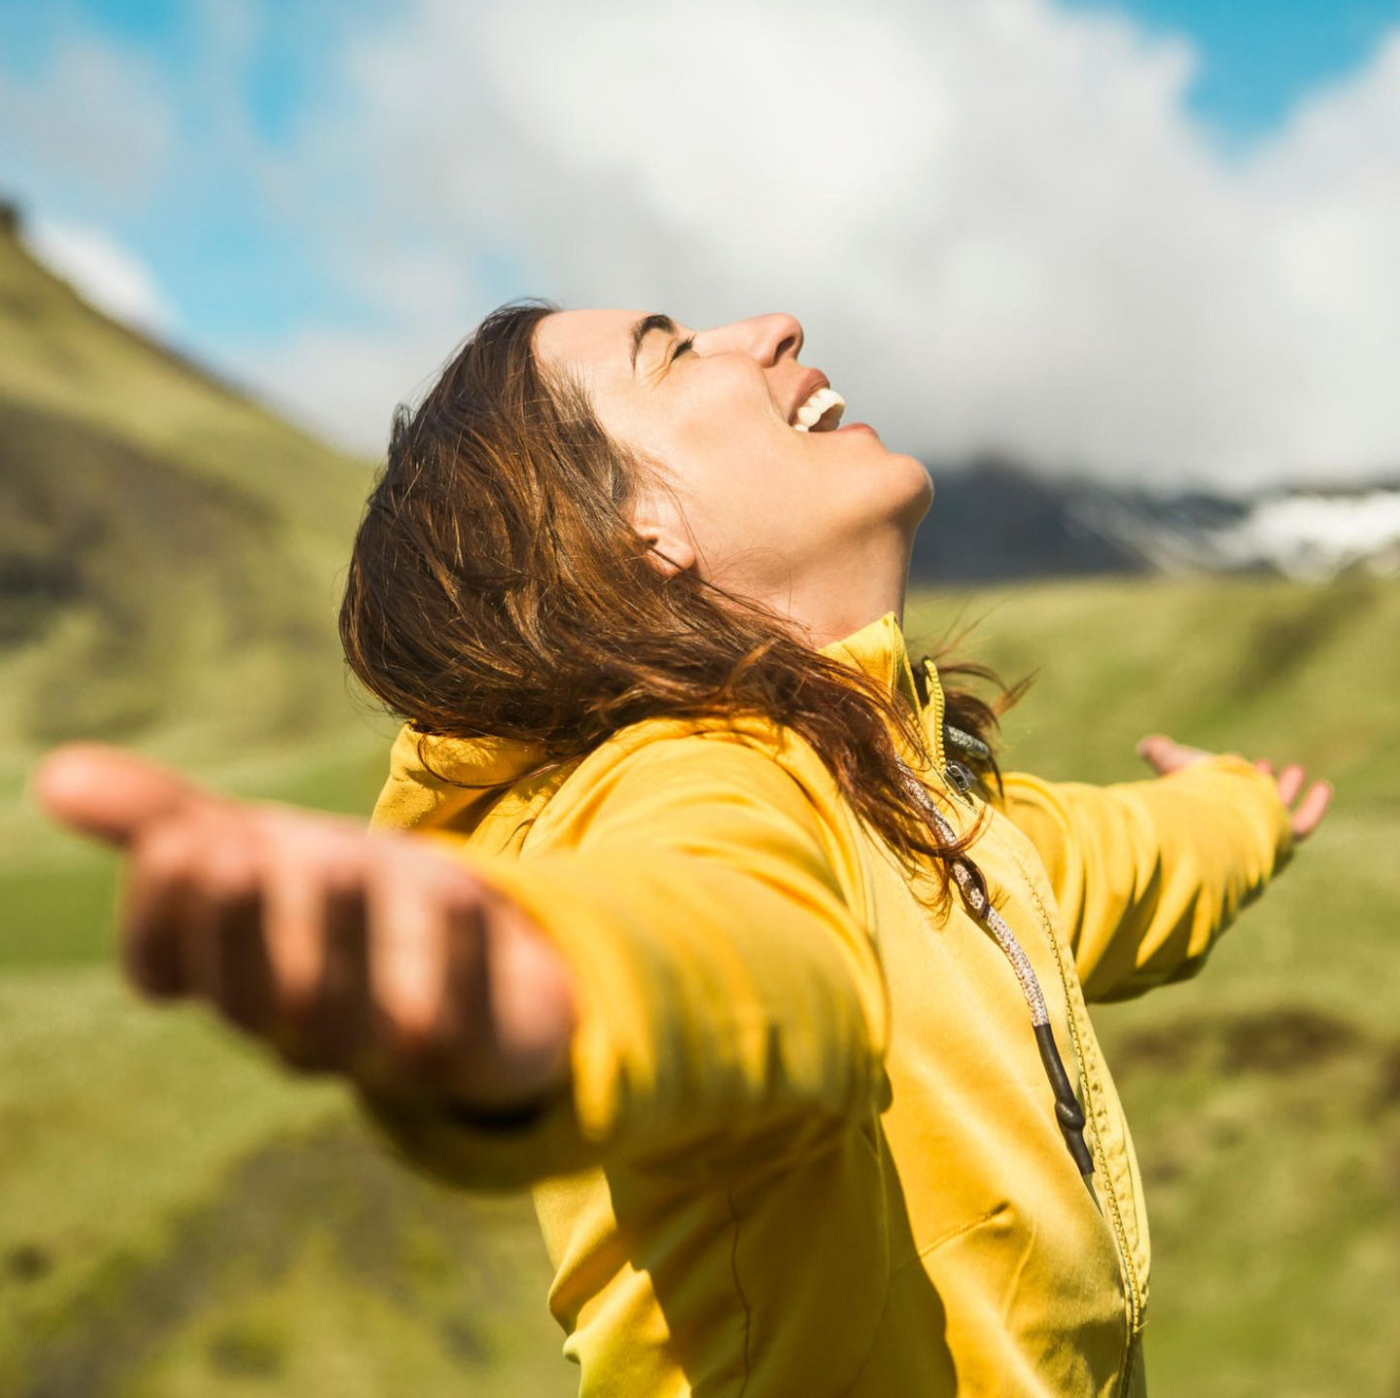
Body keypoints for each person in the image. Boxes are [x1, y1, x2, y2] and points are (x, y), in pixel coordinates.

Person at [35, 303, 1331, 1396]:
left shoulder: (918, 807)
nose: (772, 328)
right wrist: (542, 990)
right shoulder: (697, 777)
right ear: (634, 530)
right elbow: (725, 943)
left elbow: (1107, 859)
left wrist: (1242, 808)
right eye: (669, 351)